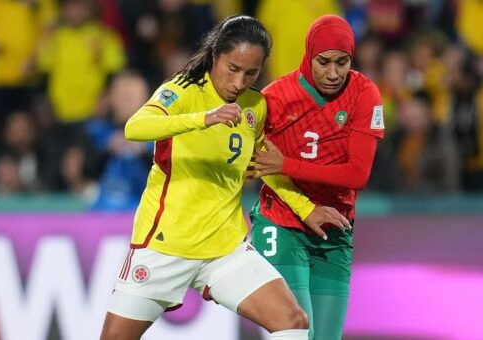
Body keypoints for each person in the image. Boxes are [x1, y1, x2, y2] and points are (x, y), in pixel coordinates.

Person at [100, 15, 350, 340]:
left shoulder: (254, 106)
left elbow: (264, 164)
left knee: (292, 321)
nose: (239, 82)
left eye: (251, 73)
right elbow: (136, 127)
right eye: (233, 69)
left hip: (224, 248)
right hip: (165, 246)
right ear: (216, 55)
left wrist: (306, 209)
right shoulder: (183, 90)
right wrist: (205, 118)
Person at [249, 15, 384, 340]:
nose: (334, 73)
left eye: (343, 62)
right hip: (281, 224)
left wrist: (287, 165)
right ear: (309, 55)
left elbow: (357, 174)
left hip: (334, 229)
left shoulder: (365, 94)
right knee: (296, 331)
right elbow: (256, 165)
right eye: (324, 62)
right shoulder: (275, 98)